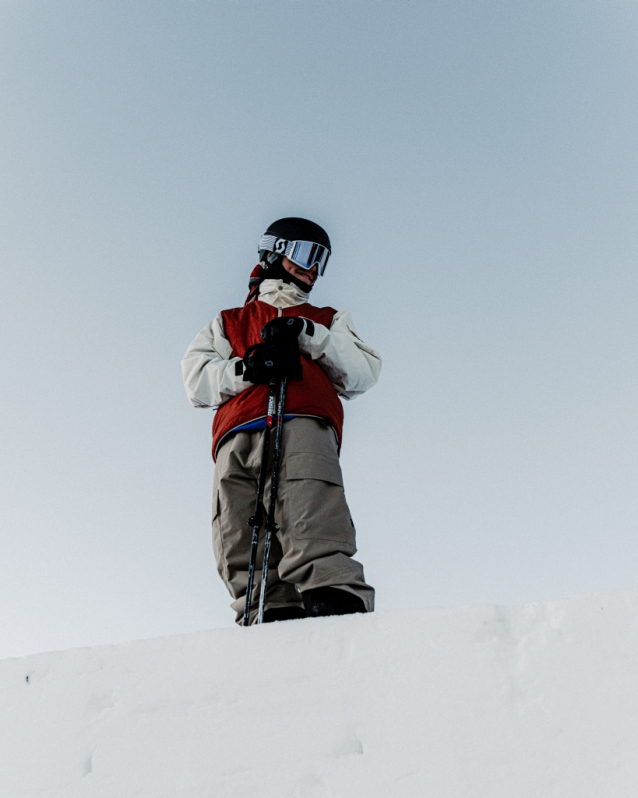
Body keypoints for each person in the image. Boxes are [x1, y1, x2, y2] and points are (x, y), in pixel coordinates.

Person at [181, 217, 382, 624]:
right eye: (306, 254)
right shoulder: (229, 321)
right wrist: (248, 369)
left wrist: (307, 333)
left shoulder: (325, 318)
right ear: (275, 250)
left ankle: (333, 593)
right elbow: (196, 380)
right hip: (238, 434)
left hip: (302, 422)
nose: (313, 268)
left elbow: (362, 372)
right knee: (237, 524)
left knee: (310, 503)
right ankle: (267, 606)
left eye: (321, 261)